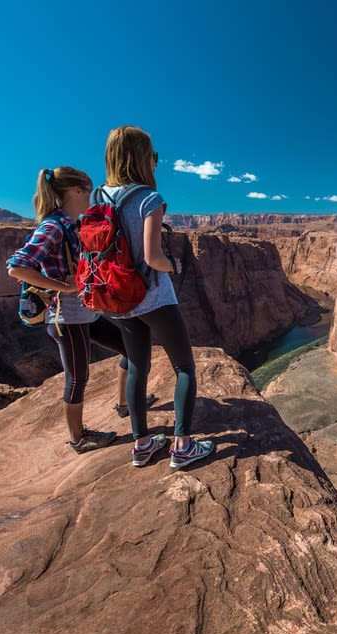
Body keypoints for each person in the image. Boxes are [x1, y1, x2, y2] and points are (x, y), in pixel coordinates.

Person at [6, 166, 153, 452]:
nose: (93, 195)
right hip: (66, 317)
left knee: (130, 348)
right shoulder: (52, 226)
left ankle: (124, 404)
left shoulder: (75, 222)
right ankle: (78, 438)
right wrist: (63, 286)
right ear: (76, 191)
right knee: (78, 377)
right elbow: (17, 267)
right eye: (89, 189)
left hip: (86, 311)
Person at [100, 125, 214, 469]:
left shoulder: (97, 197)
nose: (156, 163)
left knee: (137, 366)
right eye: (154, 157)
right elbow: (152, 258)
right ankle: (182, 446)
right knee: (184, 368)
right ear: (143, 159)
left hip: (117, 297)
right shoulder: (149, 198)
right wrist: (175, 264)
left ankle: (142, 444)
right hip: (153, 299)